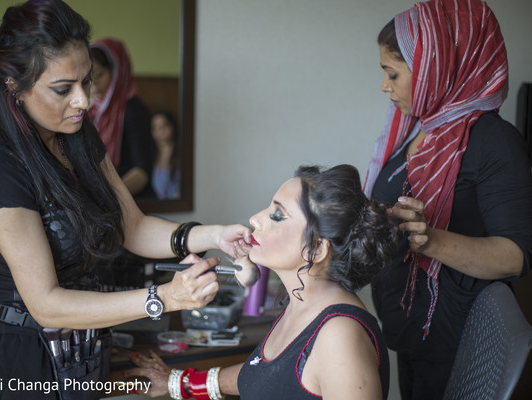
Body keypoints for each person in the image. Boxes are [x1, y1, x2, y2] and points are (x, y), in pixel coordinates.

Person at [0, 1, 252, 399]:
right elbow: (46, 303)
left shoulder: (76, 134)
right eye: (63, 89)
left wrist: (216, 235)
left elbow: (132, 226)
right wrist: (165, 298)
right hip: (18, 360)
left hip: (82, 350)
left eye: (87, 81)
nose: (84, 101)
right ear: (14, 85)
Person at [362, 0, 532, 398]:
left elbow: (516, 255)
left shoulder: (494, 142)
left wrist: (432, 240)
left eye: (393, 73)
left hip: (453, 340)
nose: (384, 86)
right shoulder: (416, 129)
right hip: (409, 331)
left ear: (436, 69)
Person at [126, 164, 397, 400]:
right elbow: (265, 376)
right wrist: (179, 382)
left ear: (315, 249)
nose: (256, 218)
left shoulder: (340, 336)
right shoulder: (301, 304)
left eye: (277, 215)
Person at [88, 37, 156, 197]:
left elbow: (142, 171)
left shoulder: (133, 109)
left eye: (99, 75)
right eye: (89, 78)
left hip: (134, 201)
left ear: (117, 72)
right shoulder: (92, 112)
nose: (94, 85)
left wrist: (108, 197)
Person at [150, 110, 181, 200]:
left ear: (172, 127)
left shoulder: (181, 153)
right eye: (155, 128)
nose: (159, 132)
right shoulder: (152, 155)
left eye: (163, 127)